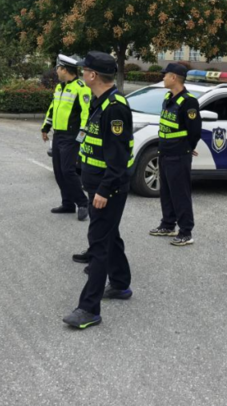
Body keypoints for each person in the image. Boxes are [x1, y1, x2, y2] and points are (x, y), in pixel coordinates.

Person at [62, 51, 134, 330]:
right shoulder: (100, 101)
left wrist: (103, 190)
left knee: (98, 245)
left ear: (93, 75)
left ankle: (89, 309)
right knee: (109, 235)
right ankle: (121, 284)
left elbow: (118, 159)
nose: (82, 74)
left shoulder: (115, 108)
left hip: (109, 189)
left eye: (84, 71)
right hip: (98, 186)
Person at [148, 62, 202, 246]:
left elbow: (195, 131)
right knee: (167, 192)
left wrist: (187, 147)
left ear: (173, 78)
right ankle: (168, 224)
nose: (163, 78)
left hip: (178, 154)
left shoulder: (189, 102)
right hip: (165, 151)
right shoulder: (168, 97)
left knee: (180, 193)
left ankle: (186, 232)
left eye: (165, 75)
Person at [42, 54, 92, 221]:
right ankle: (68, 204)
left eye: (58, 68)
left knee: (68, 171)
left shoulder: (81, 88)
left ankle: (83, 203)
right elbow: (52, 108)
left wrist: (81, 136)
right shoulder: (59, 87)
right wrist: (46, 127)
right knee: (58, 172)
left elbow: (86, 114)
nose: (56, 71)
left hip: (71, 136)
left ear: (65, 70)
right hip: (58, 135)